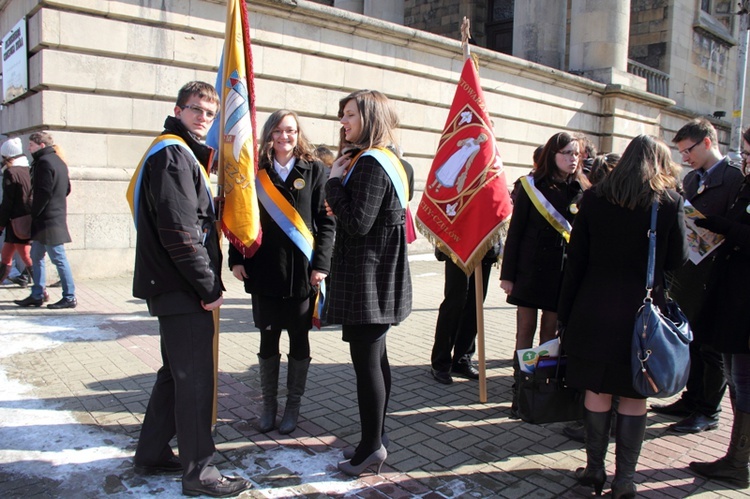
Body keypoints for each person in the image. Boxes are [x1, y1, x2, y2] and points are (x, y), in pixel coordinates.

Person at [128, 81, 251, 497]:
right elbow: (180, 233)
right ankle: (200, 473)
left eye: (209, 113)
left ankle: (151, 452)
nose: (203, 118)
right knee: (195, 380)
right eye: (195, 109)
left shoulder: (176, 152)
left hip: (172, 285)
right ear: (178, 110)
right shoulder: (174, 155)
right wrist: (208, 286)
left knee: (175, 374)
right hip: (183, 287)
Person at [558, 135, 688, 498]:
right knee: (635, 394)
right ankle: (625, 480)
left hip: (593, 308)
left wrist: (564, 316)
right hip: (642, 316)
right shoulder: (669, 203)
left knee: (596, 391)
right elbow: (676, 260)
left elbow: (576, 264)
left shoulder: (595, 198)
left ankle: (594, 471)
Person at [229, 109, 335, 435]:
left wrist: (321, 265)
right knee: (268, 338)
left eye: (290, 131)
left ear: (297, 133)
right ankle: (268, 406)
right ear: (269, 134)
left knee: (299, 340)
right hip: (264, 269)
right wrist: (236, 257)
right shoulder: (255, 170)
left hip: (302, 273)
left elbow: (327, 221)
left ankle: (293, 407)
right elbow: (240, 215)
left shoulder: (316, 170)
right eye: (278, 131)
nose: (284, 137)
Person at [325, 89, 412, 477]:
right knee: (376, 360)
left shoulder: (374, 163)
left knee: (368, 366)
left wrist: (332, 185)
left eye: (350, 115)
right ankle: (376, 438)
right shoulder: (380, 160)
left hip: (369, 279)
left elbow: (358, 222)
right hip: (374, 276)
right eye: (342, 115)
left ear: (371, 117)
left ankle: (370, 447)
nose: (343, 123)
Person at [650, 118, 743, 434]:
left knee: (710, 347)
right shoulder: (690, 180)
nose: (684, 158)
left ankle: (708, 410)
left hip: (717, 276)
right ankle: (690, 398)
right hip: (688, 273)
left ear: (707, 142)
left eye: (688, 150)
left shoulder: (734, 179)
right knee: (690, 340)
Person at [500, 132, 589, 417]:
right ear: (552, 155)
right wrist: (508, 274)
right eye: (566, 153)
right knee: (524, 330)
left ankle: (541, 387)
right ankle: (520, 388)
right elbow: (515, 234)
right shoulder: (530, 186)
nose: (572, 159)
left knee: (549, 333)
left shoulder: (582, 189)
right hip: (529, 271)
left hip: (562, 273)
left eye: (576, 154)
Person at [687, 127, 750, 489]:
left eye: (748, 154)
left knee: (743, 384)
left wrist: (719, 225)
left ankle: (738, 463)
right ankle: (733, 458)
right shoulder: (745, 186)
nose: (744, 161)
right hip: (731, 297)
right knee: (736, 382)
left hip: (745, 304)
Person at [14, 132, 77, 309]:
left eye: (31, 145)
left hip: (47, 219)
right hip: (51, 216)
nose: (29, 148)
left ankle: (70, 296)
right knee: (36, 255)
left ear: (41, 145)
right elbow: (67, 189)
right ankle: (37, 293)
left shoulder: (44, 162)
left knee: (58, 257)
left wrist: (34, 212)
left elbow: (43, 193)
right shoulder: (58, 161)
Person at [429, 242, 502, 385]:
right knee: (454, 304)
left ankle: (462, 359)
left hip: (484, 246)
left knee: (475, 305)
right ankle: (440, 362)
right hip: (457, 244)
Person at [0, 138, 38, 291]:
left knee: (25, 255)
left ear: (7, 156)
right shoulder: (28, 169)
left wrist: (1, 223)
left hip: (16, 220)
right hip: (24, 218)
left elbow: (7, 202)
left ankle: (40, 289)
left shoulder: (11, 172)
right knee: (6, 253)